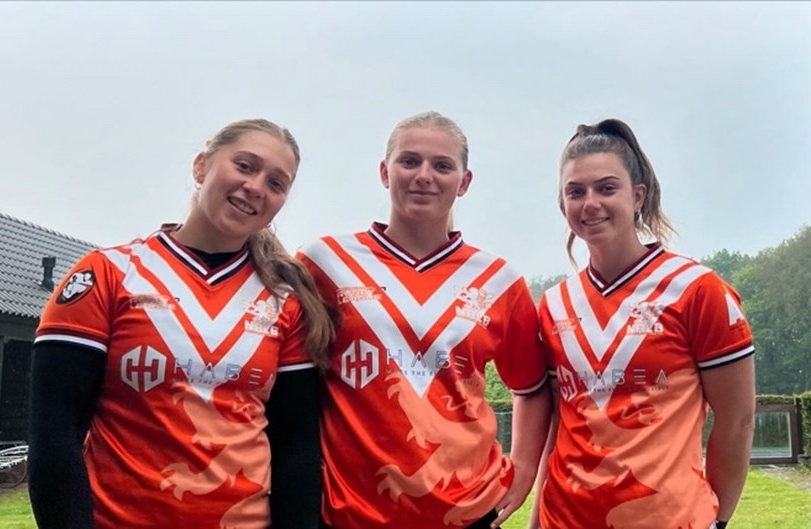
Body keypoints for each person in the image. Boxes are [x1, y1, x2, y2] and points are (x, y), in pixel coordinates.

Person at [28, 118, 335, 529]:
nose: (256, 187)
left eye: (277, 183)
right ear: (201, 165)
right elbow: (55, 433)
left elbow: (295, 447)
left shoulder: (286, 302)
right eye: (245, 166)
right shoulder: (109, 273)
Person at [297, 111, 551, 529]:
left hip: (466, 511)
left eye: (442, 165)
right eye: (409, 161)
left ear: (464, 182)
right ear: (385, 171)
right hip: (349, 513)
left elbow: (532, 388)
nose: (424, 176)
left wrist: (522, 468)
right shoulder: (323, 262)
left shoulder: (499, 280)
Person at [529, 119, 756, 529]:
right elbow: (559, 425)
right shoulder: (553, 304)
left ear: (638, 196)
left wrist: (716, 519)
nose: (590, 202)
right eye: (575, 192)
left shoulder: (697, 290)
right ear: (563, 205)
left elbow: (738, 419)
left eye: (606, 188)